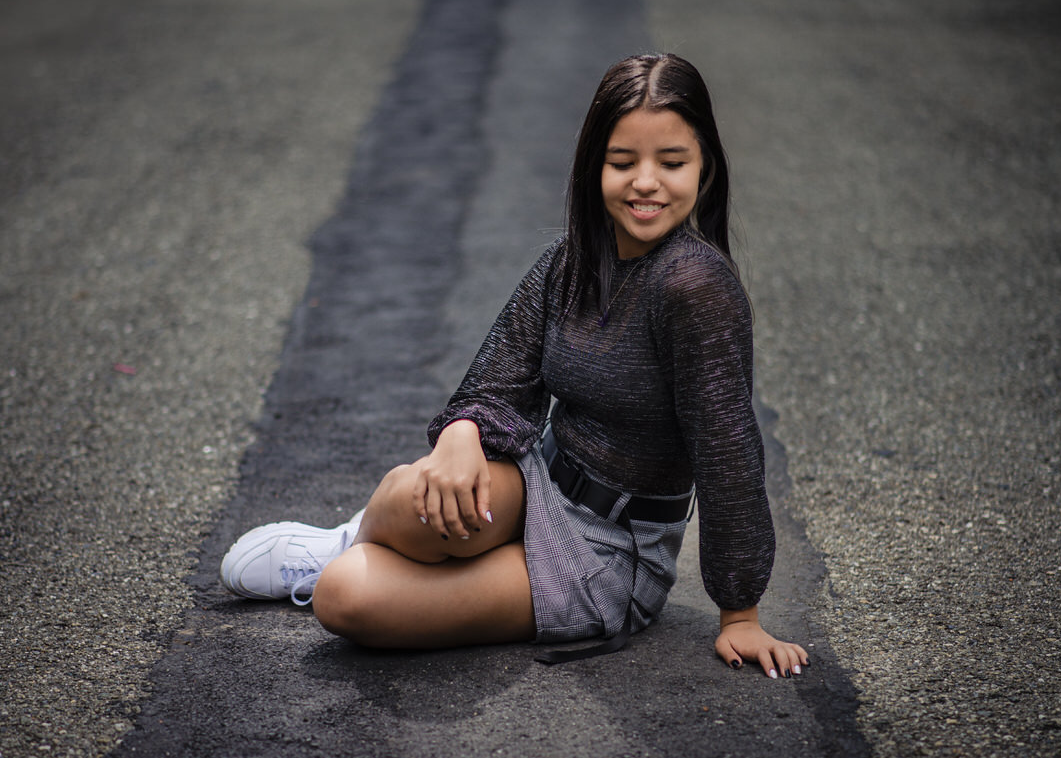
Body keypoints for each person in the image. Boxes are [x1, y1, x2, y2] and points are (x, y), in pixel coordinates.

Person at [220, 53, 809, 679]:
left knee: (346, 597)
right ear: (593, 168)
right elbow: (502, 373)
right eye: (621, 163)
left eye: (671, 163)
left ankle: (348, 560)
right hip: (539, 481)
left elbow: (728, 449)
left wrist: (739, 612)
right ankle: (357, 537)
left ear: (705, 168)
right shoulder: (572, 259)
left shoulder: (696, 287)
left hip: (608, 550)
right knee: (404, 492)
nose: (645, 183)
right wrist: (462, 435)